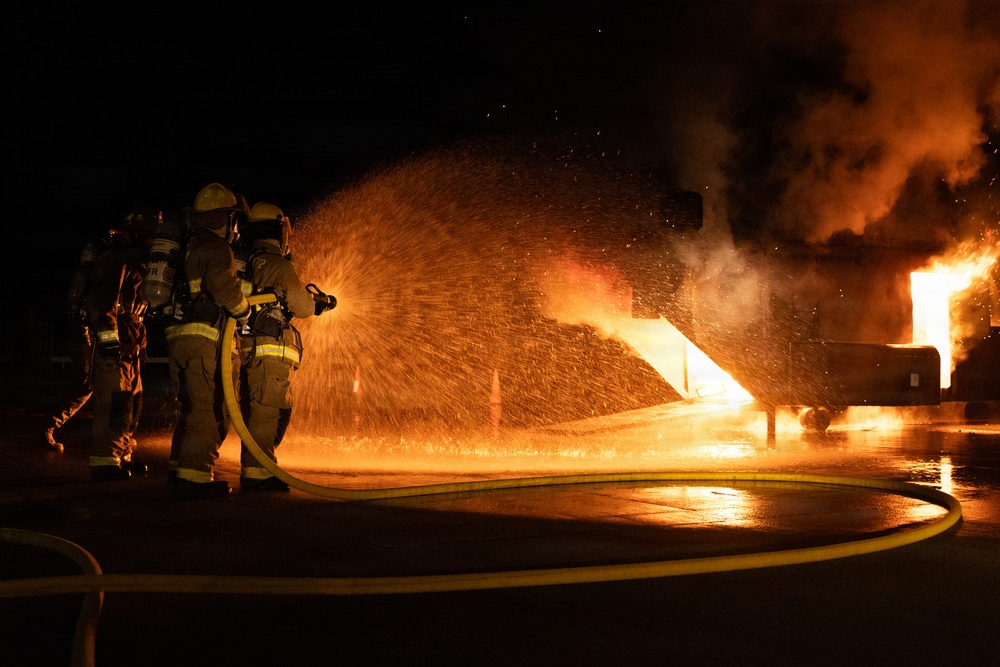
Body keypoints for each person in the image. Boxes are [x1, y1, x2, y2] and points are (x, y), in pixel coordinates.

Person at [237, 202, 335, 491]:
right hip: (270, 351)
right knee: (267, 411)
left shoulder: (246, 261)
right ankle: (258, 472)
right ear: (278, 231)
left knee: (257, 409)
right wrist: (316, 303)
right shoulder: (278, 265)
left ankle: (258, 466)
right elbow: (302, 306)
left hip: (248, 348)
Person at [165, 183, 251, 498]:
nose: (236, 227)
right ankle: (195, 477)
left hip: (180, 339)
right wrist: (245, 311)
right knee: (211, 410)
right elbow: (223, 289)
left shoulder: (187, 246)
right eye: (234, 219)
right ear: (224, 219)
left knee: (192, 407)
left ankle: (179, 468)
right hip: (206, 340)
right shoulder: (217, 248)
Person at [87, 212, 154, 480]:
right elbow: (102, 304)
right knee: (114, 404)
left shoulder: (137, 264)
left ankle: (122, 454)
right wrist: (109, 342)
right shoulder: (116, 260)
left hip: (131, 346)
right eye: (148, 236)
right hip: (115, 349)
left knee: (131, 405)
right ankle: (104, 461)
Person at [42, 234, 110, 452]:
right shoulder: (95, 277)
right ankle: (49, 426)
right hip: (85, 335)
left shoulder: (85, 274)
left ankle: (115, 433)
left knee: (100, 383)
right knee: (85, 385)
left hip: (83, 333)